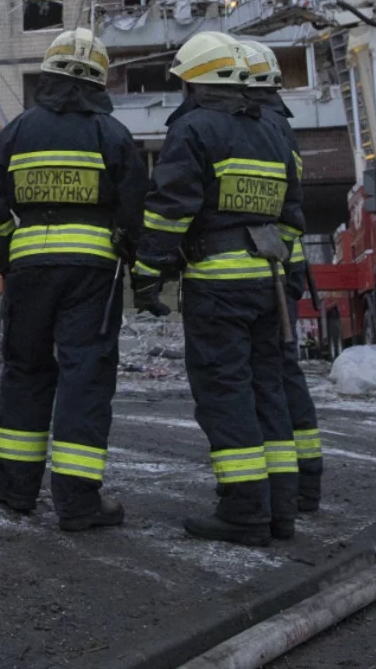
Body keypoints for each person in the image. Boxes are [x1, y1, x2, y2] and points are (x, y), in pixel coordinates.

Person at [132, 31, 301, 546]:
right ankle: (280, 511)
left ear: (197, 82)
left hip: (216, 286)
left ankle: (244, 513)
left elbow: (170, 208)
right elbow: (292, 216)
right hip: (268, 286)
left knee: (225, 395)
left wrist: (148, 272)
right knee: (267, 390)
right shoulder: (273, 132)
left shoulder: (195, 130)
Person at [0, 28, 146, 531]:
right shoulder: (112, 136)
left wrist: (12, 257)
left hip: (28, 274)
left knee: (25, 373)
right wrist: (130, 258)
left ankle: (15, 490)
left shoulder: (15, 133)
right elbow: (135, 212)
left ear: (47, 76)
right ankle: (77, 502)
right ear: (98, 80)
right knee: (83, 378)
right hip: (92, 275)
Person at [235, 39, 323, 515]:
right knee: (284, 375)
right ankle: (303, 485)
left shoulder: (261, 125)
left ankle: (288, 488)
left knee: (273, 377)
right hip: (285, 262)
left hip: (269, 265)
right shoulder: (281, 125)